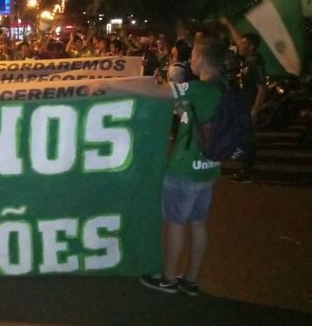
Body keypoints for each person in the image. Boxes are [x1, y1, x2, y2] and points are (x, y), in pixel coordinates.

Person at [91, 38, 227, 296]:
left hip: (185, 168)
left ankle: (167, 279)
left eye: (195, 56)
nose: (191, 61)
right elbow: (195, 119)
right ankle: (191, 279)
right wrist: (181, 112)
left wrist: (110, 84)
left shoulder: (197, 88)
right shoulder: (223, 88)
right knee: (199, 224)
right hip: (209, 168)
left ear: (204, 59)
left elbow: (159, 91)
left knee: (175, 224)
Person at [220, 17, 265, 183]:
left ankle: (247, 171)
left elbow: (262, 88)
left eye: (243, 44)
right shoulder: (247, 60)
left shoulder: (255, 62)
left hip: (248, 105)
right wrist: (229, 23)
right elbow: (237, 38)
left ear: (251, 47)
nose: (239, 45)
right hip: (241, 104)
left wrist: (255, 109)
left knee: (248, 138)